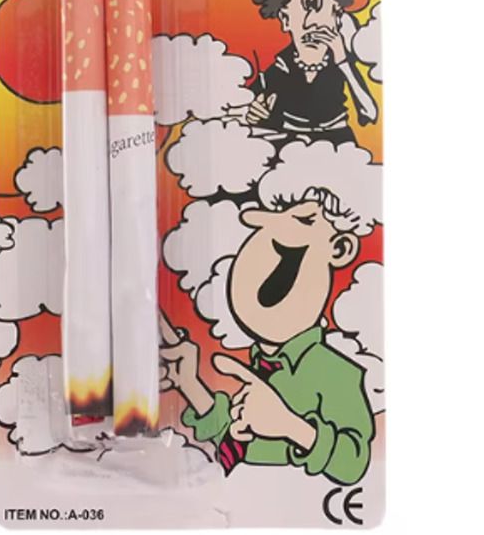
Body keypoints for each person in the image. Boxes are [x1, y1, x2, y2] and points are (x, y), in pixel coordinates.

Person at [160, 141, 378, 485]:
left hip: (296, 501)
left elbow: (354, 462)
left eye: (301, 224)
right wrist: (189, 383)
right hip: (225, 499)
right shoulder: (258, 363)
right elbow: (231, 442)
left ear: (339, 248)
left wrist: (290, 426)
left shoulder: (337, 373)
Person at [245, 0, 377, 144]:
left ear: (337, 17)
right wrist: (253, 113)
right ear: (285, 19)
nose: (312, 23)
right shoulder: (277, 70)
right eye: (305, 10)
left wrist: (342, 59)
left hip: (339, 145)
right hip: (288, 145)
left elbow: (370, 114)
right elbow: (244, 109)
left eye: (322, 10)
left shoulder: (342, 63)